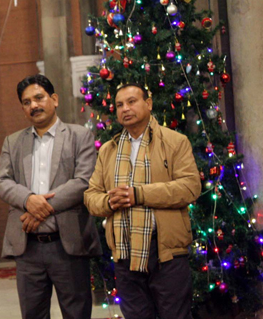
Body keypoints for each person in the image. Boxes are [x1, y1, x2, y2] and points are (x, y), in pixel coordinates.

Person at [84, 84, 200, 319]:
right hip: (125, 253)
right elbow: (91, 195)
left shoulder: (175, 141)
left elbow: (190, 188)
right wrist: (109, 201)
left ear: (148, 104)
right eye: (119, 105)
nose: (125, 109)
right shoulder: (108, 149)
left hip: (166, 252)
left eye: (131, 101)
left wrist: (139, 195)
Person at [0, 74, 101, 319]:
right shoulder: (13, 142)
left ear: (54, 99)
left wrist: (38, 207)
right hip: (28, 247)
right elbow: (2, 182)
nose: (33, 105)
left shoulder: (79, 136)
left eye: (39, 98)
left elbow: (84, 181)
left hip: (69, 244)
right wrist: (27, 199)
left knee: (76, 314)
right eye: (26, 102)